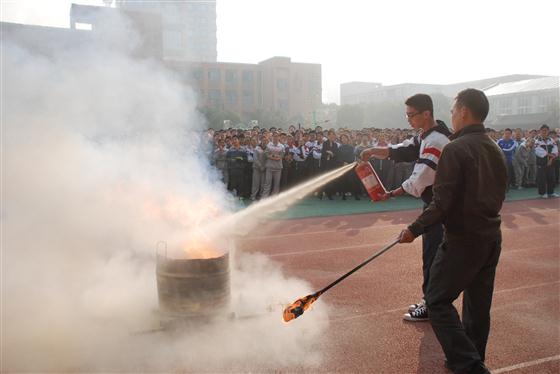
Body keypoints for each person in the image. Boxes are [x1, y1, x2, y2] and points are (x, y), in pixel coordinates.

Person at [398, 88, 507, 374]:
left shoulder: (455, 149)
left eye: (453, 110)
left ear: (464, 112)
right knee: (477, 306)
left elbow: (441, 204)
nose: (451, 116)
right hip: (491, 236)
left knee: (436, 301)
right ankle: (473, 356)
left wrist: (413, 229)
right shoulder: (494, 148)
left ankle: (469, 365)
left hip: (463, 239)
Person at [361, 93, 451, 322]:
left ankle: (431, 305)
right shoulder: (427, 135)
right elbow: (402, 149)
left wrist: (390, 194)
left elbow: (419, 179)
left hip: (439, 207)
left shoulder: (436, 141)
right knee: (435, 255)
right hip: (437, 205)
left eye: (411, 115)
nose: (408, 120)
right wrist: (374, 151)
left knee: (434, 255)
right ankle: (432, 301)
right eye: (407, 115)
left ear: (426, 114)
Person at [534, 124, 559, 198]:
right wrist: (549, 155)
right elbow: (538, 151)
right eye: (543, 130)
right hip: (541, 162)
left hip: (551, 162)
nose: (544, 132)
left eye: (546, 130)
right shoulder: (537, 141)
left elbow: (555, 149)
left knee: (551, 177)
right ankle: (542, 193)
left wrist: (551, 159)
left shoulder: (551, 140)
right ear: (540, 131)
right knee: (542, 178)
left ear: (548, 131)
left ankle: (551, 192)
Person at [261, 133, 284, 198]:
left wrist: (274, 156)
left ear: (279, 137)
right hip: (269, 167)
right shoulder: (268, 145)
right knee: (267, 183)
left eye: (277, 136)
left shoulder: (282, 146)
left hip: (278, 167)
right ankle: (264, 198)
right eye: (274, 136)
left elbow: (281, 156)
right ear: (272, 137)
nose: (275, 137)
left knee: (276, 184)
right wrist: (274, 156)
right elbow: (267, 155)